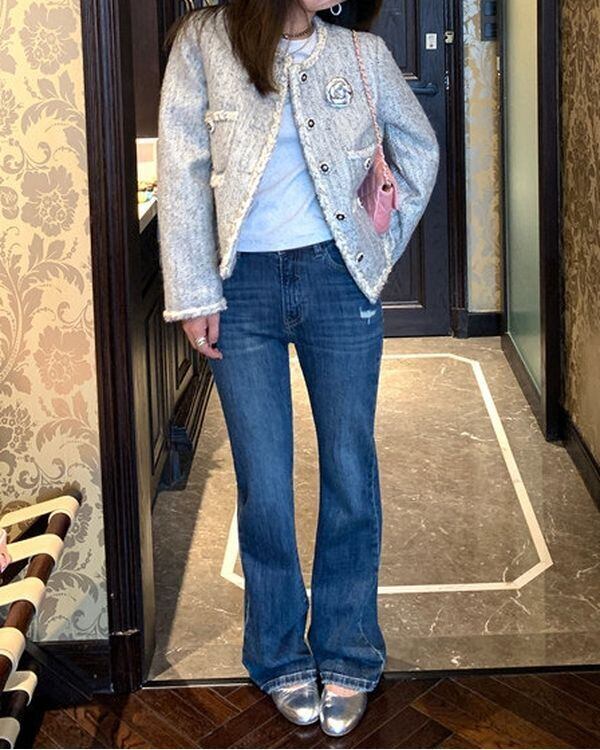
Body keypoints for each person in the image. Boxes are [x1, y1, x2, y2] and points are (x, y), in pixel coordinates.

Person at [157, 0, 439, 737]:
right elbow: (181, 165)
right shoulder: (203, 42)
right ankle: (278, 651)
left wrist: (376, 251)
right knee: (264, 479)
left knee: (349, 465)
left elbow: (418, 148)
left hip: (336, 281)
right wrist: (193, 291)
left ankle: (348, 650)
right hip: (240, 290)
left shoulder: (360, 54)